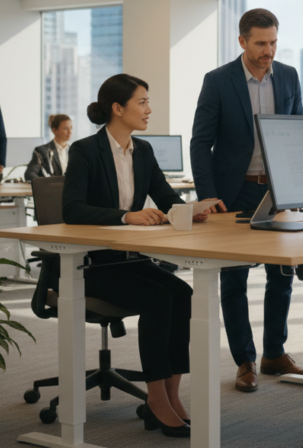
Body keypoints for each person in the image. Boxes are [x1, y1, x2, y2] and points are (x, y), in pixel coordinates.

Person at [62, 74, 211, 438]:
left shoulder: (142, 150)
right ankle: (155, 397)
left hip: (130, 259)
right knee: (160, 299)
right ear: (118, 108)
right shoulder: (84, 150)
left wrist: (191, 210)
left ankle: (171, 396)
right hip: (93, 263)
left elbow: (165, 196)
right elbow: (72, 209)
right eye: (142, 102)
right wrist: (127, 216)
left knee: (183, 294)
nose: (148, 109)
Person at [189, 7, 303, 393]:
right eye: (261, 43)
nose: (268, 50)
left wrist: (301, 187)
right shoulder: (218, 81)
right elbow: (200, 141)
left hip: (276, 191)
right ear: (242, 41)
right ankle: (244, 360)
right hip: (234, 191)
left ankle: (274, 352)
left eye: (273, 42)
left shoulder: (289, 76)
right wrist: (207, 195)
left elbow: (298, 131)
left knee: (282, 275)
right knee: (234, 278)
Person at [25, 114, 72, 181]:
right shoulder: (42, 151)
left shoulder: (73, 150)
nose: (70, 132)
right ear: (55, 130)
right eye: (65, 128)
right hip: (52, 190)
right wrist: (45, 185)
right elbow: (30, 173)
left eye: (71, 128)